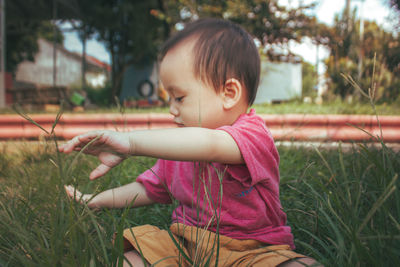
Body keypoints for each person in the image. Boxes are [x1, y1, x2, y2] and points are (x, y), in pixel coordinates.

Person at [61, 18, 319, 267]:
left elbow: (211, 144)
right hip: (186, 246)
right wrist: (94, 200)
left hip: (254, 251)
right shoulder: (178, 150)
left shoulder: (252, 135)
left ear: (228, 93)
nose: (172, 110)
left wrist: (130, 142)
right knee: (130, 259)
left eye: (180, 97)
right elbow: (146, 189)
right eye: (169, 98)